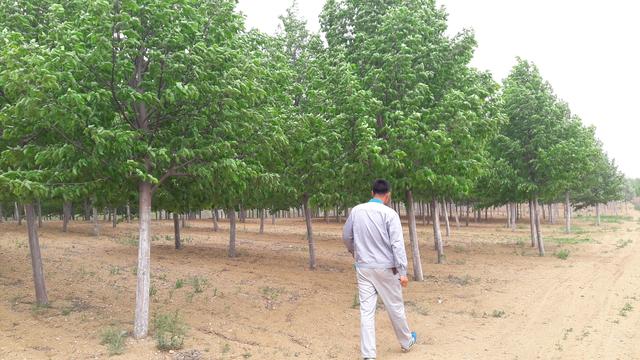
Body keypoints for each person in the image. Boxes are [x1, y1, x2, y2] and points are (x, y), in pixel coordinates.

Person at [343, 179, 417, 359]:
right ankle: (406, 341)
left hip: (364, 268)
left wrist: (354, 251)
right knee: (395, 307)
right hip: (386, 269)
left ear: (372, 192)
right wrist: (403, 272)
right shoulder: (390, 214)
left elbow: (346, 236)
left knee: (366, 311)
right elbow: (397, 245)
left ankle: (368, 355)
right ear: (388, 195)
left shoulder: (356, 211)